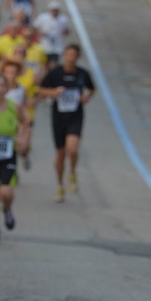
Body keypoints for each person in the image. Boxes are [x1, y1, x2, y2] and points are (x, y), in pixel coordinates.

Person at [38, 44, 95, 202]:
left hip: (75, 116)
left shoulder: (83, 74)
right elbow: (40, 89)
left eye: (74, 55)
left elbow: (92, 89)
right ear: (64, 55)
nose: (70, 58)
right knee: (60, 154)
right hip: (58, 118)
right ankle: (59, 185)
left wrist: (86, 97)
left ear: (78, 57)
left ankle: (72, 172)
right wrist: (53, 93)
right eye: (68, 54)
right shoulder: (56, 73)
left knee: (72, 148)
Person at [0, 73, 26, 241]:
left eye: (3, 86)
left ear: (7, 88)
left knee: (6, 193)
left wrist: (23, 138)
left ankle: (7, 209)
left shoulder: (14, 107)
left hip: (8, 156)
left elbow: (25, 122)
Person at [33, 1, 71, 69]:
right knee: (43, 63)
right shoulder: (43, 17)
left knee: (53, 63)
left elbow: (67, 31)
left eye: (56, 10)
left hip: (57, 45)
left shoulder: (63, 19)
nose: (54, 12)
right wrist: (40, 33)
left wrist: (64, 32)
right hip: (44, 44)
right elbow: (34, 27)